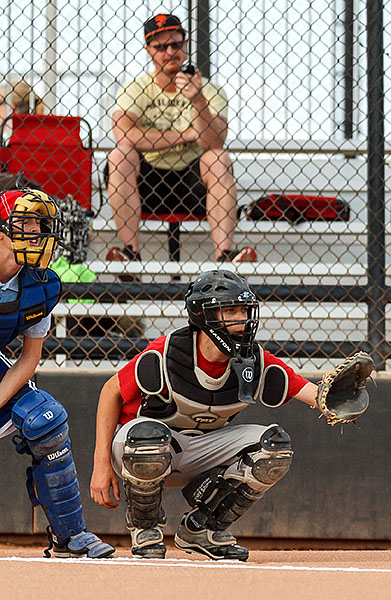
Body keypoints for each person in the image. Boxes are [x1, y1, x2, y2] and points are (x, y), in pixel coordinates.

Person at [90, 270, 324, 561]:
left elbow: (313, 394)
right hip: (143, 449)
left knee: (273, 449)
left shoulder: (255, 360)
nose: (241, 320)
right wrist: (101, 463)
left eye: (244, 310)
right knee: (147, 438)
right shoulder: (166, 353)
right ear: (202, 314)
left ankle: (201, 529)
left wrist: (337, 397)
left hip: (203, 452)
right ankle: (144, 529)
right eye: (230, 310)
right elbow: (110, 391)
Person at [0, 188, 114, 559]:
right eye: (25, 223)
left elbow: (29, 358)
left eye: (39, 224)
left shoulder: (41, 284)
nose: (36, 232)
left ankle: (70, 536)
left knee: (46, 421)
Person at [106, 14, 255, 265]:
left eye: (176, 44)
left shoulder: (209, 90)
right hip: (148, 181)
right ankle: (130, 253)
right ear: (149, 51)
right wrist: (187, 135)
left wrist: (198, 101)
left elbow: (213, 142)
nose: (170, 52)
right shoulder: (135, 88)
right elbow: (125, 135)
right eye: (161, 47)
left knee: (218, 158)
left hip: (192, 182)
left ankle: (224, 256)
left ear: (185, 45)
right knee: (120, 156)